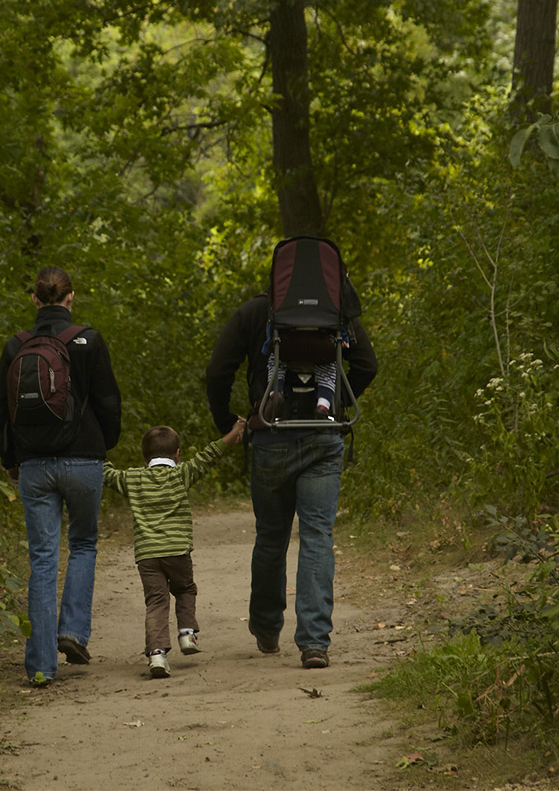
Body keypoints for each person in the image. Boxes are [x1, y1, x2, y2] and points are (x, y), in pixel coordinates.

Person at [205, 279, 377, 669]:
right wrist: (337, 404)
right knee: (317, 535)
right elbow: (367, 365)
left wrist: (229, 423)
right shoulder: (335, 312)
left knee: (271, 535)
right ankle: (314, 642)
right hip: (322, 435)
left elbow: (217, 371)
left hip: (271, 435)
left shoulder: (255, 312)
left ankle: (267, 630)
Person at [0, 266, 121, 687]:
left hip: (33, 464)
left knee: (43, 559)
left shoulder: (15, 345)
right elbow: (108, 401)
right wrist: (106, 444)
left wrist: (11, 461)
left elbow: (3, 414)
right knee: (83, 543)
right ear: (71, 298)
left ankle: (41, 666)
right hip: (84, 458)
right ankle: (72, 632)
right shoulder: (90, 340)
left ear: (34, 299)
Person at [102, 418, 245, 678]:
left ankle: (157, 655)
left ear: (144, 455)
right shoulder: (182, 473)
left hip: (147, 556)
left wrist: (95, 449)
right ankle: (187, 634)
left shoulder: (133, 478)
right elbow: (209, 455)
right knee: (185, 589)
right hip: (178, 551)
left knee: (156, 602)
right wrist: (234, 432)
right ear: (178, 454)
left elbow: (107, 474)